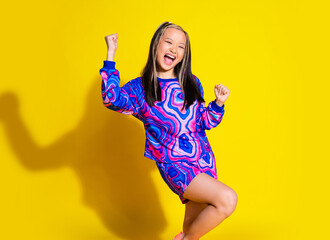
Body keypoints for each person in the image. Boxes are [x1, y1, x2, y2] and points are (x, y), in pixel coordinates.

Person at [99, 21, 237, 240]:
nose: (174, 49)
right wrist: (111, 55)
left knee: (193, 226)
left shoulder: (192, 83)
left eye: (181, 46)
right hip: (176, 165)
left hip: (203, 160)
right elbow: (111, 99)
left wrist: (218, 104)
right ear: (156, 45)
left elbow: (204, 122)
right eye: (169, 42)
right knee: (227, 200)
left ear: (184, 54)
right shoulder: (140, 89)